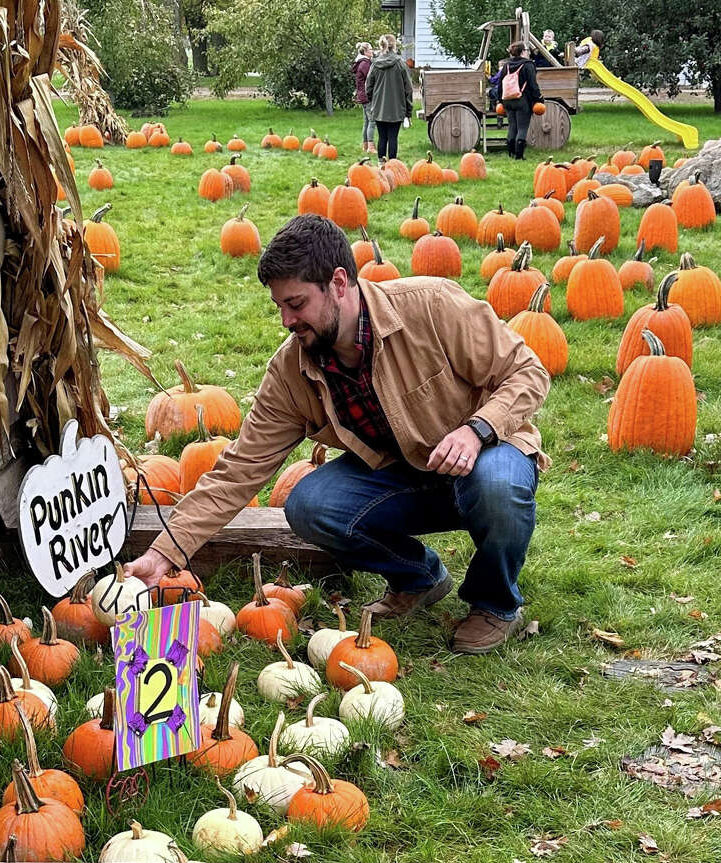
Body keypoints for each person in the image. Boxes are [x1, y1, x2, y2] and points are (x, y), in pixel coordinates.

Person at [125, 215, 551, 654]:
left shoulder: (431, 305)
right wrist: (165, 553)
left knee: (498, 484)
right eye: (280, 307)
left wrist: (476, 430)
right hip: (403, 477)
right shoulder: (292, 371)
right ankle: (419, 578)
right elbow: (237, 473)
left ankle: (495, 604)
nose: (287, 320)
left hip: (485, 455)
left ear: (339, 283)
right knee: (310, 505)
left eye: (297, 303)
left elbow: (528, 373)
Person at [365, 34, 412, 161]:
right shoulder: (401, 64)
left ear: (381, 46)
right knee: (393, 137)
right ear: (394, 45)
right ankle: (392, 165)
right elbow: (409, 89)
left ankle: (381, 165)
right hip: (397, 108)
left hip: (379, 108)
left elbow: (368, 86)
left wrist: (372, 100)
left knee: (382, 137)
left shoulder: (375, 64)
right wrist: (408, 111)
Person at [499, 41, 542, 160]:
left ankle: (511, 153)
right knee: (522, 127)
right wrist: (539, 99)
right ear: (523, 51)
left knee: (512, 126)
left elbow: (500, 84)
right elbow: (533, 85)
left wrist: (500, 101)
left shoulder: (506, 65)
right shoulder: (528, 65)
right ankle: (519, 156)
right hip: (521, 100)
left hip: (507, 100)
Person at [352, 43, 375, 153]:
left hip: (362, 95)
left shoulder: (361, 63)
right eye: (370, 49)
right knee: (372, 121)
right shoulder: (365, 64)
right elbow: (371, 79)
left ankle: (365, 146)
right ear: (365, 52)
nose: (372, 51)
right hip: (367, 96)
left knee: (366, 121)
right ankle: (370, 147)